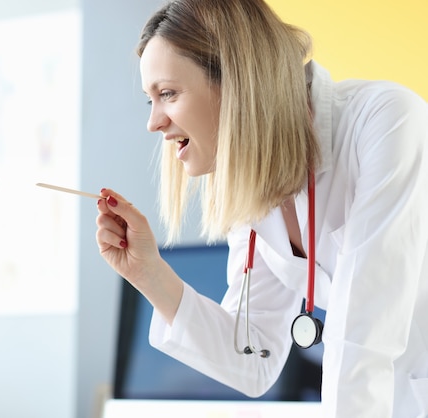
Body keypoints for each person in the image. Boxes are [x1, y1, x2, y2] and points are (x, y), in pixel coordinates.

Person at [95, 0, 428, 416]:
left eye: (168, 93)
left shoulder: (386, 122)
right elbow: (254, 358)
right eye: (151, 100)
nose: (154, 122)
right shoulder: (256, 188)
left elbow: (365, 336)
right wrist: (148, 273)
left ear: (237, 80)